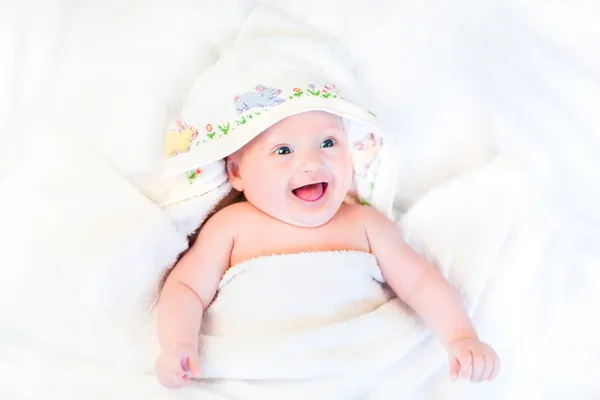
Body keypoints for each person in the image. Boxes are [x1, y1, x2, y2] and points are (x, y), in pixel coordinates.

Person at [155, 110, 500, 389]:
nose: (311, 162)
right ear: (236, 172)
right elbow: (186, 288)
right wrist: (178, 345)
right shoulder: (232, 225)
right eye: (283, 150)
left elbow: (420, 282)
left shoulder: (365, 223)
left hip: (354, 372)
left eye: (328, 142)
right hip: (258, 373)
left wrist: (460, 336)